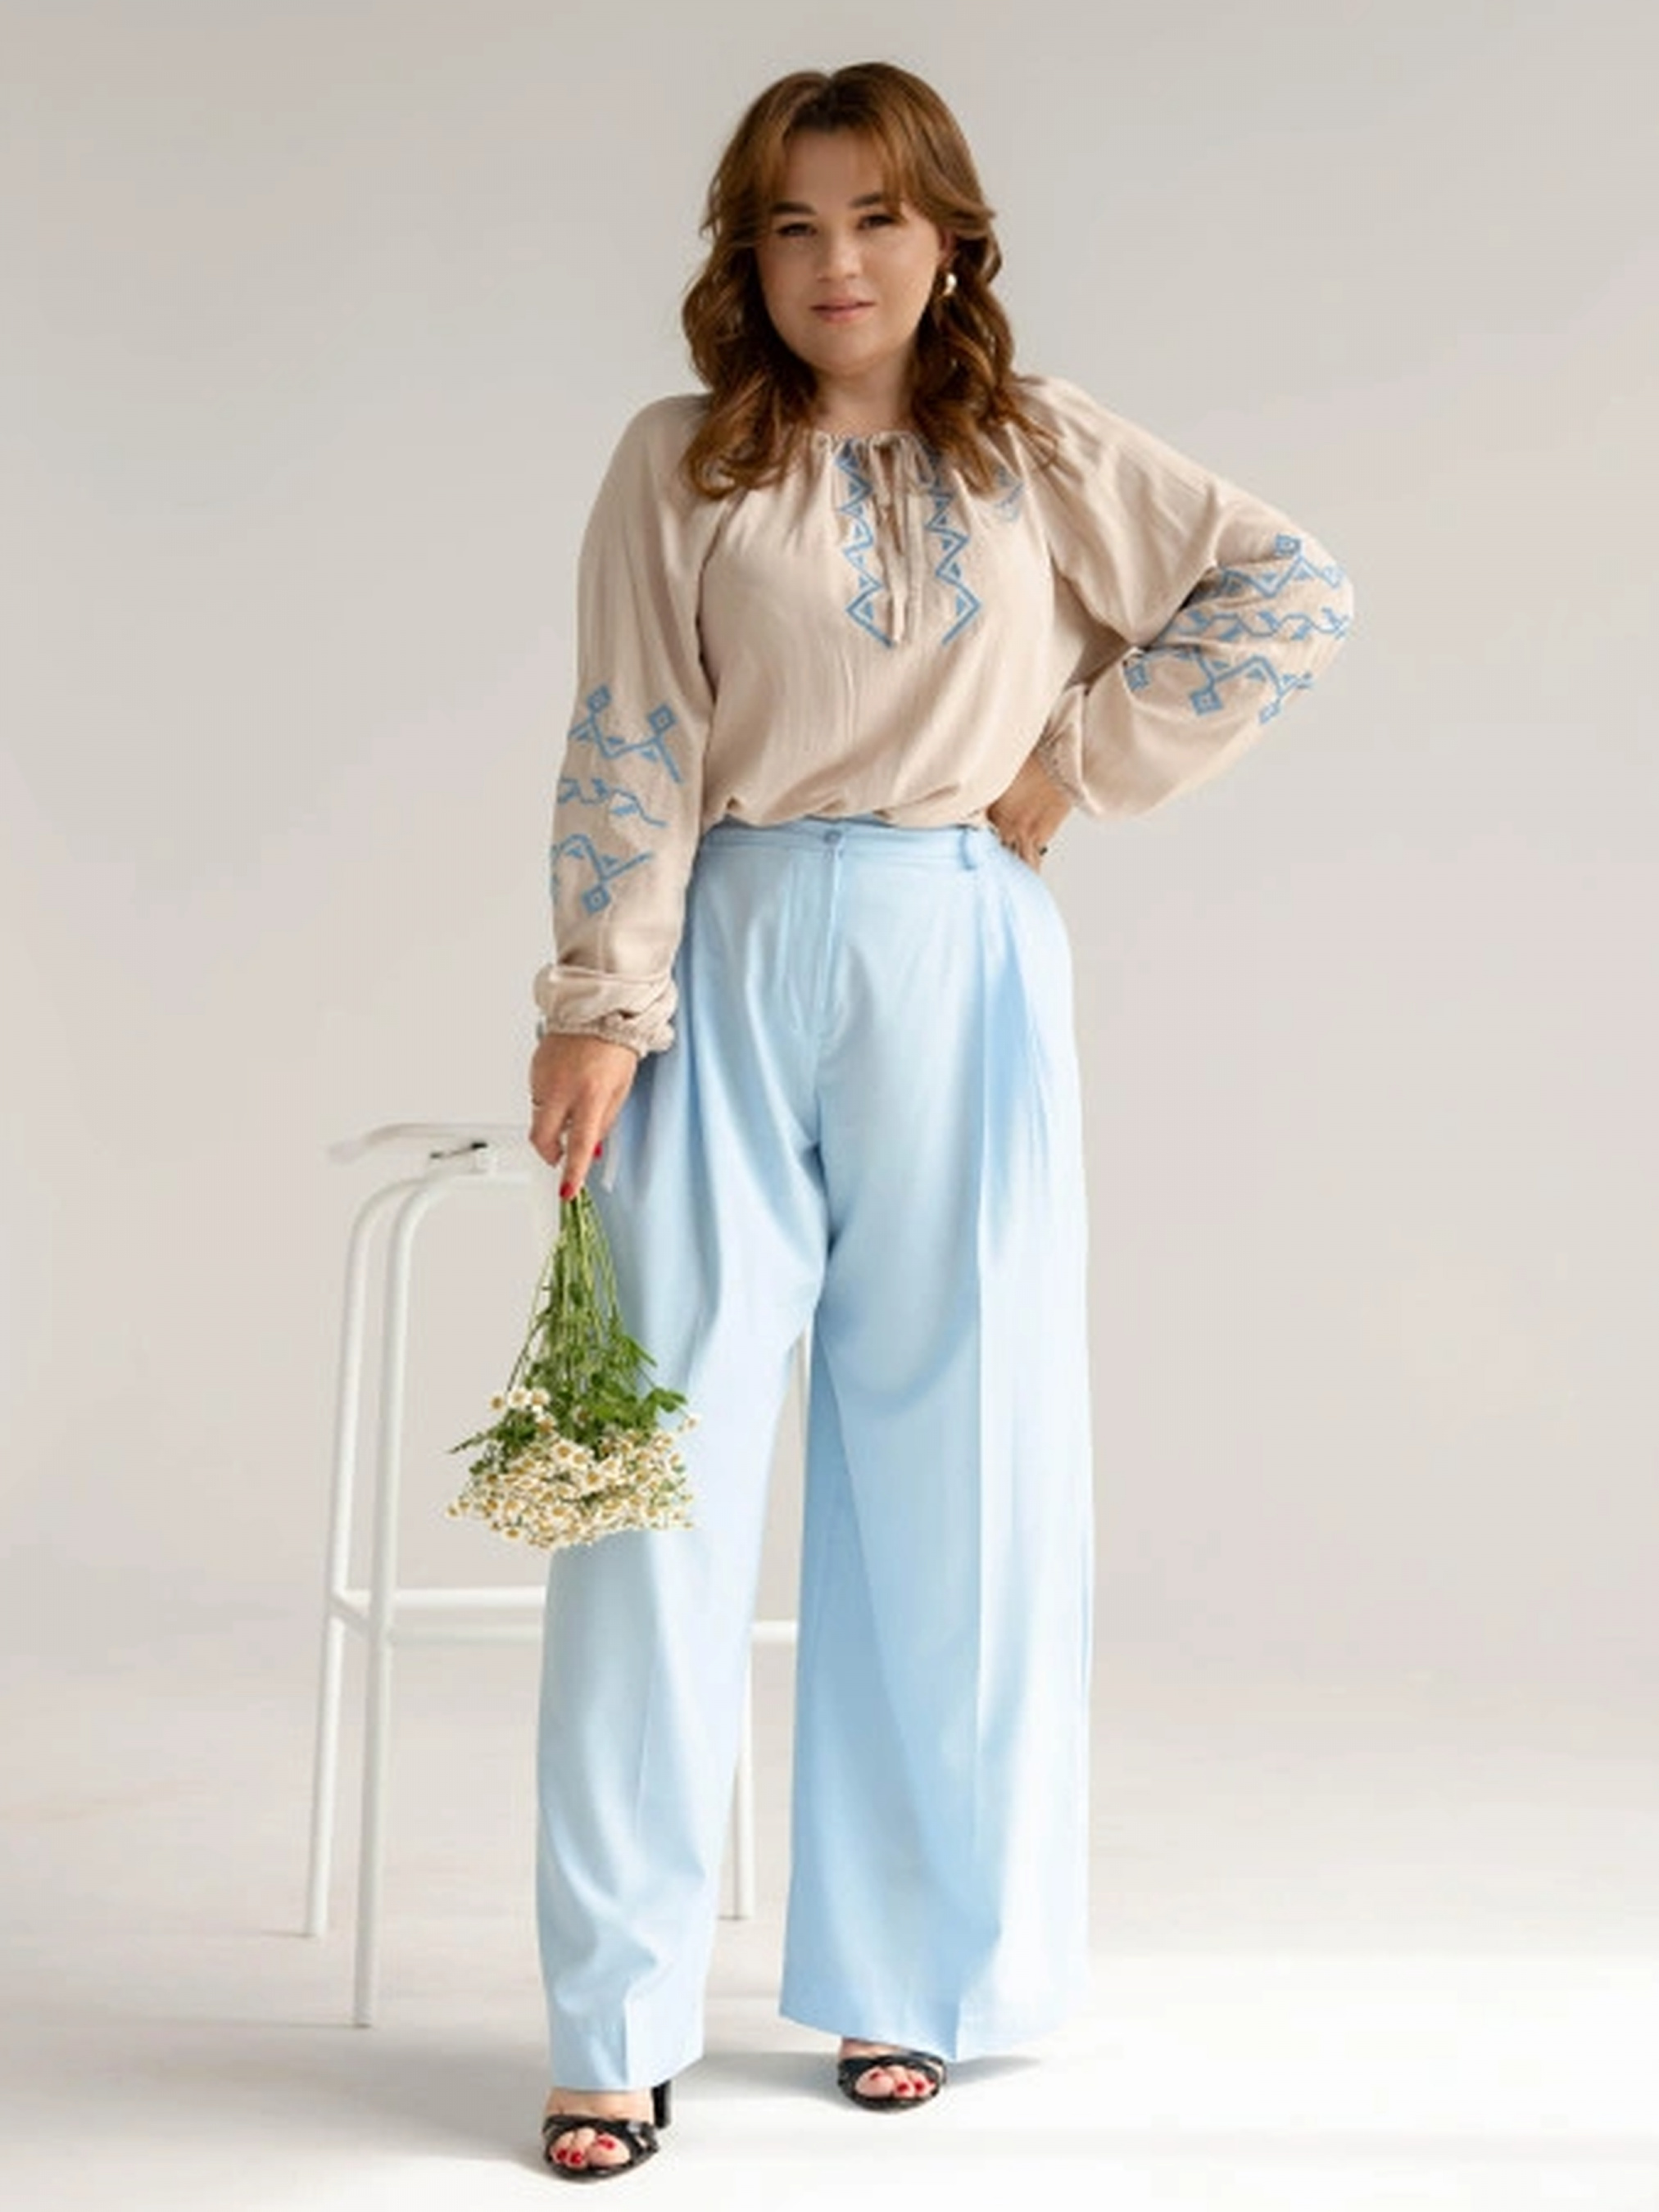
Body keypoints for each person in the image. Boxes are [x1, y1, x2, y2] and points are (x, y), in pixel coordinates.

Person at [524, 60, 1353, 2180]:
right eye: (792, 226)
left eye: (876, 219)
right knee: (648, 1479)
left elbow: (1287, 589)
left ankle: (916, 1975)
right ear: (745, 251)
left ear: (951, 236)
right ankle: (613, 2021)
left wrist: (1074, 768)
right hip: (722, 944)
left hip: (958, 948)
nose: (836, 264)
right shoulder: (680, 459)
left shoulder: (1035, 448)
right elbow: (630, 730)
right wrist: (599, 1004)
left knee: (956, 1475)